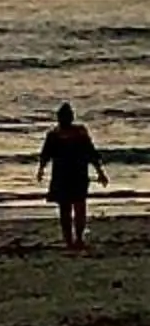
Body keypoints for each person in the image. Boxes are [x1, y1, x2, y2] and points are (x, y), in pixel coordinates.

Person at [38, 102, 108, 248]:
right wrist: (41, 169)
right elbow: (46, 155)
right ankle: (72, 239)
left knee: (74, 208)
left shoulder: (73, 134)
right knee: (71, 207)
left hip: (73, 174)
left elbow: (91, 154)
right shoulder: (58, 134)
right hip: (68, 174)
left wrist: (100, 172)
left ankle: (75, 239)